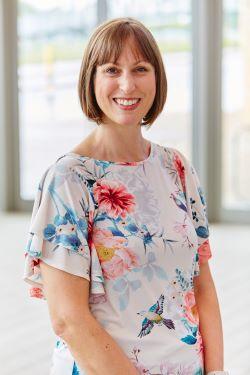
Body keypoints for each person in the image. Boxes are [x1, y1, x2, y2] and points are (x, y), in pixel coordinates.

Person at [23, 17, 229, 375]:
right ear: (92, 79)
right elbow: (67, 320)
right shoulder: (69, 180)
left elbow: (202, 284)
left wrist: (217, 372)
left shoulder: (177, 168)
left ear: (156, 78)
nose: (127, 84)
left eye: (140, 68)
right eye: (112, 69)